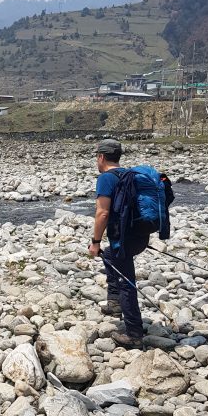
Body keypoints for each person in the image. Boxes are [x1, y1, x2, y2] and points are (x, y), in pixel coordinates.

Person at [87, 137, 149, 349]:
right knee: (110, 256)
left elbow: (102, 213)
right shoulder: (129, 175)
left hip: (123, 239)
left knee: (126, 281)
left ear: (101, 157)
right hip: (139, 235)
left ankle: (134, 333)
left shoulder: (106, 178)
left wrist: (95, 242)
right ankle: (114, 304)